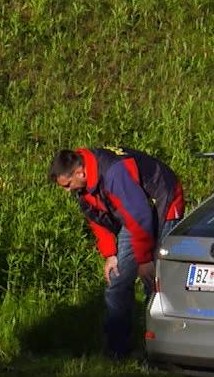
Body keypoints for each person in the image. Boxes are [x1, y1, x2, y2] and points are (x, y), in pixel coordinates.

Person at [48, 146, 185, 359]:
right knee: (117, 282)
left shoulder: (114, 173)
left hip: (162, 200)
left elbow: (141, 217)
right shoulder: (83, 186)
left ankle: (161, 351)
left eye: (67, 185)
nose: (67, 191)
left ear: (79, 173)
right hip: (133, 212)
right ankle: (117, 350)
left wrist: (145, 260)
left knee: (155, 280)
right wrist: (110, 254)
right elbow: (97, 217)